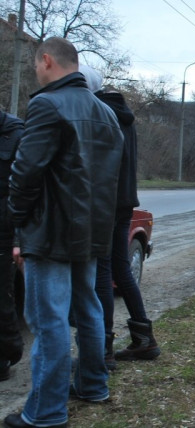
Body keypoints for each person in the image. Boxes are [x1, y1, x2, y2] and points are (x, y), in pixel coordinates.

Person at [5, 37, 124, 428]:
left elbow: (26, 172)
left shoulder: (46, 104)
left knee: (48, 320)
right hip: (90, 230)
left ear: (46, 60)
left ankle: (46, 413)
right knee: (88, 308)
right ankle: (93, 385)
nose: (35, 73)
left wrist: (16, 222)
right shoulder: (106, 113)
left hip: (50, 232)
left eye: (35, 66)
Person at [79, 65, 160, 371]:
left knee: (102, 272)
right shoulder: (122, 112)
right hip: (124, 199)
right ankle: (144, 339)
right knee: (120, 269)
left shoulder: (99, 111)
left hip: (106, 200)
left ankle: (103, 351)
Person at [0, 109, 24, 382]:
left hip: (4, 231)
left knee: (2, 299)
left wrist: (19, 239)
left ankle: (6, 356)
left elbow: (24, 188)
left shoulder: (17, 133)